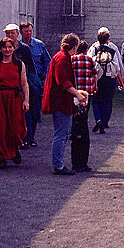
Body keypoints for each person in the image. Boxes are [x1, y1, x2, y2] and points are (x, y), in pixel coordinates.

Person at [42, 33, 89, 175]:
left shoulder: (61, 57)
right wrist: (78, 94)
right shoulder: (62, 59)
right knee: (61, 134)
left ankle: (59, 164)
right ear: (74, 47)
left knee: (63, 133)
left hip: (61, 100)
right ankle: (58, 165)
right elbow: (63, 82)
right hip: (60, 101)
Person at [0, 37, 29, 169]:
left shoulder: (19, 64)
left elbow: (24, 84)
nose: (7, 50)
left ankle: (14, 150)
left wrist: (26, 100)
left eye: (10, 47)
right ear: (0, 49)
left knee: (16, 127)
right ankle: (1, 156)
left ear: (14, 48)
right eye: (4, 47)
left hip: (14, 98)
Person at [20, 22, 51, 149]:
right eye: (26, 31)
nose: (28, 33)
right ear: (21, 32)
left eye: (30, 31)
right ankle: (25, 137)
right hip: (22, 82)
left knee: (34, 110)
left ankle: (31, 136)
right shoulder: (17, 47)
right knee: (24, 110)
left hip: (36, 81)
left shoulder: (39, 45)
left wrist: (45, 80)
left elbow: (48, 63)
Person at [88, 27, 123, 134]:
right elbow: (117, 66)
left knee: (96, 100)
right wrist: (120, 80)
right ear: (108, 39)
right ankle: (104, 122)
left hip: (97, 78)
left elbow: (89, 63)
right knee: (107, 101)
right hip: (109, 79)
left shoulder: (93, 48)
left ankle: (98, 119)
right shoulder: (112, 49)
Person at [69, 41, 97, 173]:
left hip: (75, 95)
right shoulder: (89, 60)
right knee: (84, 126)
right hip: (86, 94)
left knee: (76, 126)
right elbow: (94, 75)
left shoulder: (72, 59)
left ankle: (76, 162)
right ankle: (83, 162)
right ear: (86, 50)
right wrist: (94, 86)